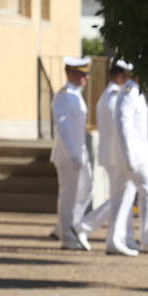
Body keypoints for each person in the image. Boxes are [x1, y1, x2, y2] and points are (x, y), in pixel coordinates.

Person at [113, 73, 148, 255]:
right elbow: (123, 125)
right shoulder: (129, 92)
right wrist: (129, 156)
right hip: (132, 154)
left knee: (122, 197)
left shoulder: (135, 92)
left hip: (137, 153)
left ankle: (116, 239)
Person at [86, 60, 134, 253]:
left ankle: (123, 237)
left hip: (112, 154)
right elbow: (120, 130)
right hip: (117, 155)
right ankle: (89, 227)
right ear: (120, 76)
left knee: (122, 196)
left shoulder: (109, 94)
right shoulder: (115, 96)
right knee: (122, 196)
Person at [50, 56, 92, 251]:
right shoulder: (64, 95)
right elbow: (63, 127)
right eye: (83, 74)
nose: (87, 77)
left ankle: (67, 227)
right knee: (69, 195)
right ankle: (67, 235)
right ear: (72, 74)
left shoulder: (76, 94)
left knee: (85, 190)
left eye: (86, 74)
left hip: (78, 152)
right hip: (69, 155)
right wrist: (72, 154)